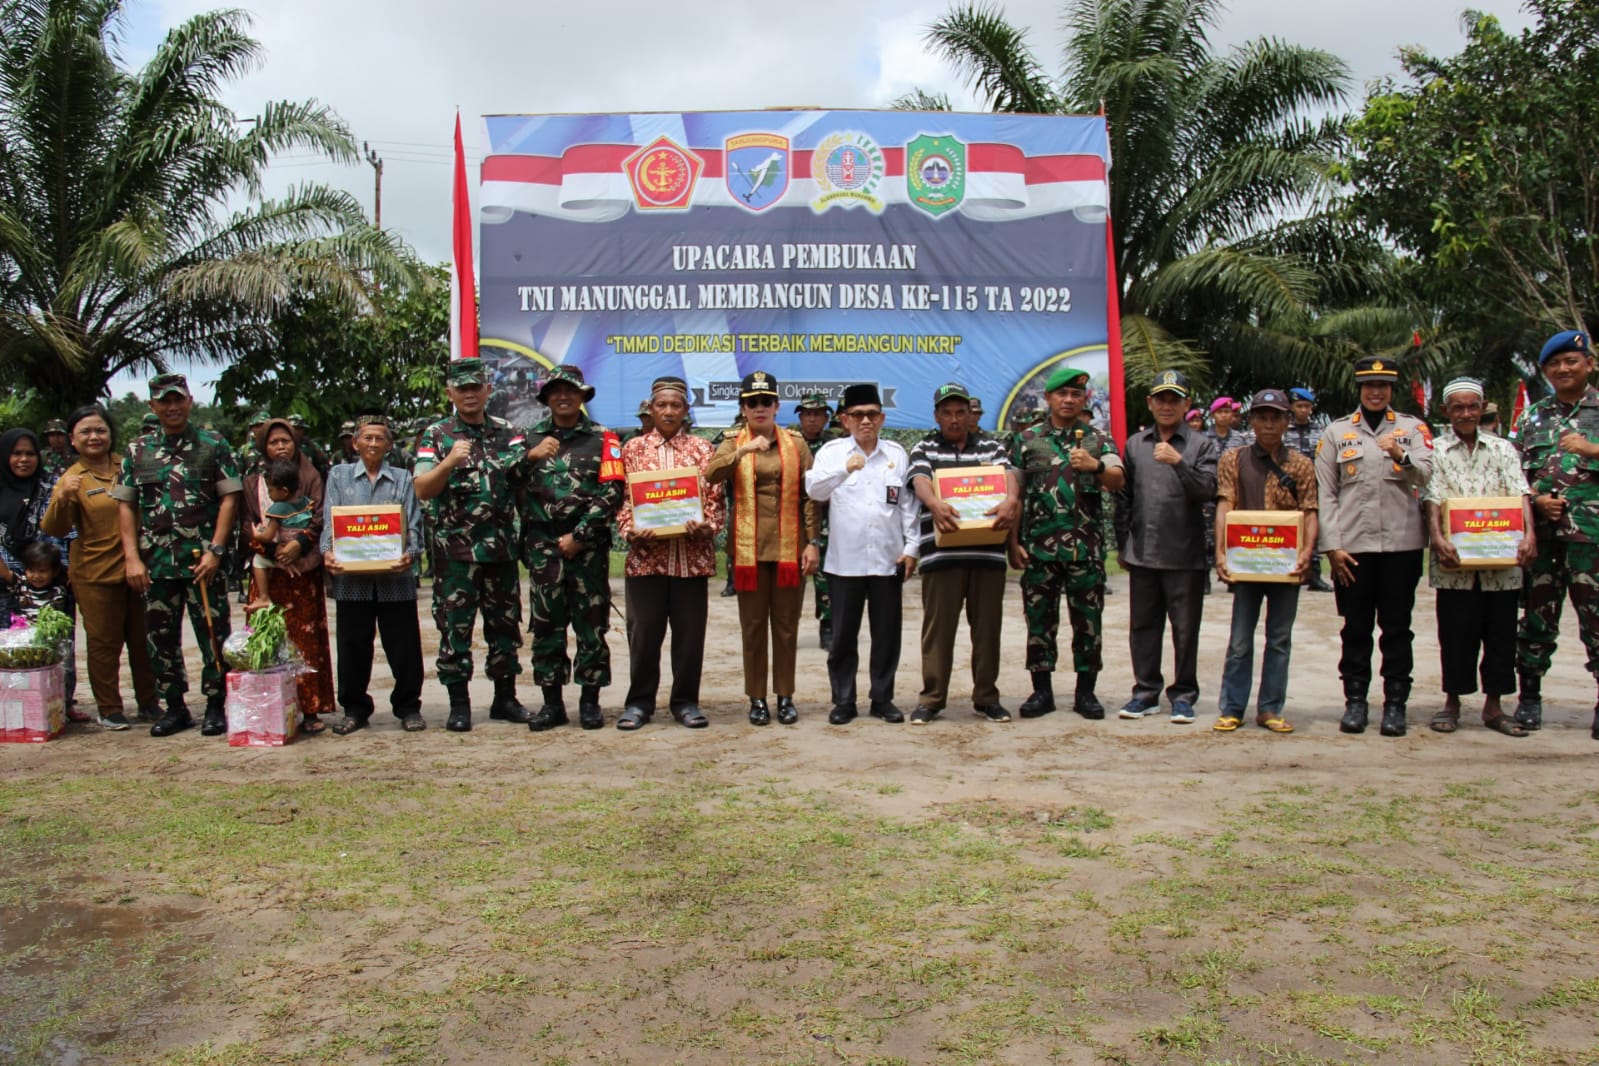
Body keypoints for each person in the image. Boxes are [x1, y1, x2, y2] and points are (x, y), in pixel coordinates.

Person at [113, 373, 241, 737]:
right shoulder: (137, 450)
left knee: (213, 634)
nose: (172, 407)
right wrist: (131, 557)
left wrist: (216, 550)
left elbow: (230, 497)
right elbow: (126, 505)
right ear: (152, 406)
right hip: (155, 562)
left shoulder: (213, 444)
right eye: (164, 401)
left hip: (203, 560)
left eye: (177, 399)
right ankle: (175, 707)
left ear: (189, 401)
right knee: (160, 638)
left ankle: (216, 704)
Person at [1314, 355, 1434, 736]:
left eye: (1383, 386)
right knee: (1356, 628)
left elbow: (1428, 473)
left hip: (1402, 546)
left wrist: (1401, 455)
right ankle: (1355, 701)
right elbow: (1326, 493)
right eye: (1369, 385)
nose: (1376, 392)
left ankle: (1395, 704)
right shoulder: (1337, 432)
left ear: (1392, 389)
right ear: (1360, 388)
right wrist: (1332, 547)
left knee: (1397, 629)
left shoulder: (1412, 429)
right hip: (1353, 550)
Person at [413, 358, 527, 732]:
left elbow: (523, 484)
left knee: (505, 628)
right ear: (450, 393)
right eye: (462, 389)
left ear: (487, 390)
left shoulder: (509, 433)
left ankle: (505, 699)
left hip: (501, 553)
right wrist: (449, 462)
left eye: (476, 387)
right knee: (454, 630)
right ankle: (459, 705)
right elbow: (422, 488)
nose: (470, 394)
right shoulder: (437, 435)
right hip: (455, 556)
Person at [1008, 366, 1124, 720]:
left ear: (1084, 399)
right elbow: (1014, 495)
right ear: (1049, 398)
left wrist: (1095, 466)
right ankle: (1041, 692)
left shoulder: (1099, 440)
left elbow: (1118, 480)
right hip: (1039, 550)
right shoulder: (1027, 440)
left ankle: (1085, 693)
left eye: (1076, 394)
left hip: (1085, 550)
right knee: (1039, 623)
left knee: (1088, 623)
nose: (1069, 400)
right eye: (1062, 394)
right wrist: (1012, 542)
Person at [705, 371, 821, 725]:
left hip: (790, 548)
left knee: (786, 627)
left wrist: (812, 542)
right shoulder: (733, 442)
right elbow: (710, 474)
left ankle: (785, 696)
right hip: (748, 552)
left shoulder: (795, 444)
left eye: (766, 402)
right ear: (743, 408)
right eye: (752, 402)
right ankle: (757, 698)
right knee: (753, 627)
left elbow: (810, 497)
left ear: (776, 406)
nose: (759, 408)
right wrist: (742, 451)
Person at [1421, 378, 1535, 737]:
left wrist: (1530, 535)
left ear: (1482, 407)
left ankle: (1494, 707)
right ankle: (1452, 702)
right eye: (1458, 407)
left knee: (1501, 634)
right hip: (1454, 562)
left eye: (1473, 406)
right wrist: (1437, 538)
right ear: (1446, 411)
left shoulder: (1503, 449)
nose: (1466, 413)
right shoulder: (1435, 450)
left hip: (1502, 562)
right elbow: (1432, 497)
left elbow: (1520, 494)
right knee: (1456, 633)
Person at [906, 382, 1021, 724]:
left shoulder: (991, 447)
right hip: (941, 558)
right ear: (936, 415)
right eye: (947, 413)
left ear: (971, 414)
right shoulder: (924, 447)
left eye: (960, 412)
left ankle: (986, 698)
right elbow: (919, 480)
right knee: (938, 632)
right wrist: (933, 502)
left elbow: (1010, 476)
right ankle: (932, 698)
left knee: (987, 632)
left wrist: (1011, 499)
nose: (954, 419)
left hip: (987, 555)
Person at [616, 376, 725, 730]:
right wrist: (630, 529)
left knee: (690, 637)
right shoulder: (632, 450)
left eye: (675, 405)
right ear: (650, 409)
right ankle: (639, 703)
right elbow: (622, 499)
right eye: (661, 405)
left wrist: (708, 525)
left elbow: (715, 498)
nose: (667, 411)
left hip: (691, 560)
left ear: (685, 410)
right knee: (644, 634)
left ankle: (685, 702)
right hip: (646, 560)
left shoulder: (702, 449)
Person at [805, 383, 918, 724]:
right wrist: (845, 469)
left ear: (882, 418)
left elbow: (908, 506)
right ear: (845, 420)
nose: (865, 421)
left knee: (887, 635)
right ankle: (844, 700)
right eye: (857, 415)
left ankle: (882, 698)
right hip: (845, 562)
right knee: (842, 637)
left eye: (871, 414)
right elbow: (814, 490)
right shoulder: (832, 453)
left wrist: (912, 547)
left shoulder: (896, 454)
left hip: (887, 559)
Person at [520, 365, 625, 732]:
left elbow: (612, 491)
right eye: (556, 391)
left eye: (570, 391)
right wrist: (530, 457)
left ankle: (590, 702)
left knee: (591, 626)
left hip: (588, 550)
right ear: (546, 397)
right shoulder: (529, 438)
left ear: (583, 396)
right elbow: (505, 479)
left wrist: (579, 536)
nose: (563, 397)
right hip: (543, 548)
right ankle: (552, 704)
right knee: (546, 627)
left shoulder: (604, 438)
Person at [41, 405, 159, 729]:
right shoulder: (71, 478)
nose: (94, 436)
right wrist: (62, 498)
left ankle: (150, 702)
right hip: (95, 572)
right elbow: (54, 528)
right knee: (104, 643)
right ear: (72, 440)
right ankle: (109, 708)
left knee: (143, 639)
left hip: (138, 567)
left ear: (110, 434)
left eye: (100, 430)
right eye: (86, 432)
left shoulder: (129, 464)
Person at [1211, 389, 1318, 734]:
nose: (1269, 424)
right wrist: (1221, 551)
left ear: (1287, 422)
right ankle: (1232, 708)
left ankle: (1270, 708)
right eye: (1262, 417)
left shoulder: (1301, 464)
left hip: (1286, 566)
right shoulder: (1234, 459)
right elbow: (1225, 504)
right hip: (1246, 564)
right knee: (1240, 641)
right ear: (1252, 421)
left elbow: (1310, 512)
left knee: (1279, 639)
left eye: (1276, 418)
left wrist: (1307, 552)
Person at [1115, 371, 1219, 723]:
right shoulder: (1135, 444)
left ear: (1187, 404)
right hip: (1143, 551)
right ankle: (1145, 692)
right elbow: (1124, 498)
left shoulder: (1201, 445)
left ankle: (1184, 695)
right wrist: (1123, 544)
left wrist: (1179, 462)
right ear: (1150, 403)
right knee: (1143, 627)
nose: (1167, 405)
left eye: (1174, 399)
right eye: (1161, 399)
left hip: (1185, 554)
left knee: (1185, 630)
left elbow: (1207, 490)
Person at [1511, 329, 1599, 738]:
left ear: (1589, 365)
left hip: (1592, 542)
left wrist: (1593, 449)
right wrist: (1536, 501)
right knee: (1536, 620)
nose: (1563, 369)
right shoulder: (1531, 417)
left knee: (1596, 622)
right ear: (1545, 371)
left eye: (1571, 361)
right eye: (1554, 364)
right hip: (1543, 540)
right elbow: (1512, 473)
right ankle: (1529, 697)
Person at [322, 415, 426, 734]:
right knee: (352, 646)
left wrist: (410, 553)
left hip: (396, 579)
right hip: (351, 581)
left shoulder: (403, 478)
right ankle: (355, 709)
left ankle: (408, 708)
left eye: (380, 438)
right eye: (367, 438)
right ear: (355, 443)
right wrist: (328, 552)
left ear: (389, 445)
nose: (373, 443)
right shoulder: (338, 476)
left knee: (404, 646)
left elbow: (413, 524)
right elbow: (329, 522)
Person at [241, 420, 333, 731]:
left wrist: (298, 545)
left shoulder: (311, 476)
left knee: (304, 643)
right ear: (263, 447)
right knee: (268, 640)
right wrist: (274, 552)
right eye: (273, 442)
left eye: (286, 441)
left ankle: (310, 710)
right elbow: (247, 524)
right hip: (269, 574)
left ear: (295, 443)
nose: (281, 446)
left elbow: (321, 517)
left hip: (303, 574)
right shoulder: (253, 482)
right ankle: (268, 713)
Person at [793, 392, 839, 650]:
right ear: (800, 417)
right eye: (807, 414)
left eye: (817, 414)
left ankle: (828, 624)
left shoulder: (835, 446)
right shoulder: (789, 442)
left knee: (825, 575)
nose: (812, 419)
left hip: (826, 519)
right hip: (792, 517)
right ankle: (787, 626)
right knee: (790, 576)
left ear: (826, 417)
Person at [1285, 388, 1333, 592]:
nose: (1303, 410)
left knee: (1314, 528)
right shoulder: (1283, 430)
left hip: (1314, 486)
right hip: (1287, 487)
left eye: (1307, 406)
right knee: (1289, 528)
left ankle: (1314, 574)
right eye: (1299, 406)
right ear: (1291, 407)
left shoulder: (1321, 432)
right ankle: (1288, 569)